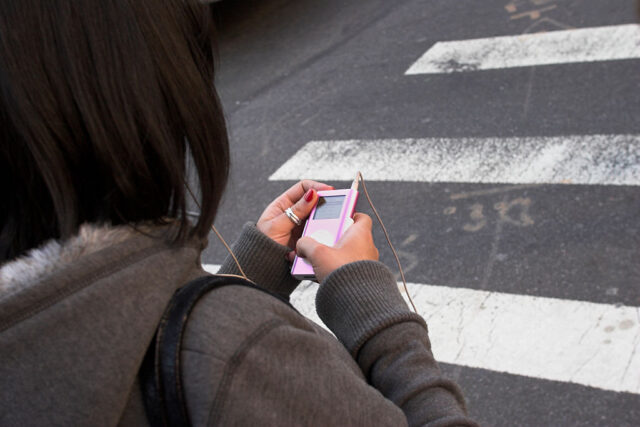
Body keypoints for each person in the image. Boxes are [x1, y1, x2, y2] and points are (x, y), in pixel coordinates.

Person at [0, 0, 477, 425]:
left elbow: (141, 352)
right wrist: (374, 311)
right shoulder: (248, 354)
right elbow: (207, 367)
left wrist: (249, 276)